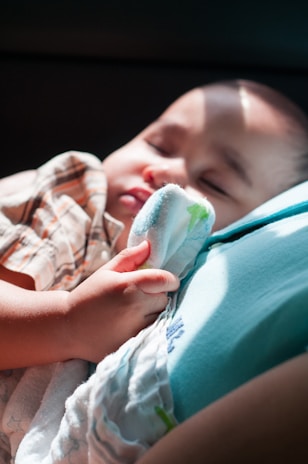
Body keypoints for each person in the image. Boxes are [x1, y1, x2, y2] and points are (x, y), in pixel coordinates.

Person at [0, 78, 308, 370]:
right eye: (159, 146)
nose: (163, 170)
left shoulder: (198, 286)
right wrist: (66, 322)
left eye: (212, 183)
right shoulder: (68, 201)